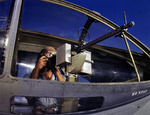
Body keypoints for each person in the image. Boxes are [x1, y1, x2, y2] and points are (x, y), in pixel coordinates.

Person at [24, 46, 65, 114]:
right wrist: (37, 68)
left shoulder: (60, 77)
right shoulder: (28, 76)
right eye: (48, 55)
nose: (49, 60)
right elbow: (29, 96)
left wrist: (56, 69)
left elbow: (66, 92)